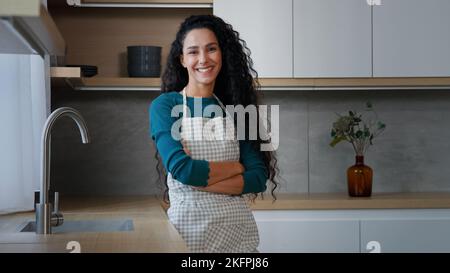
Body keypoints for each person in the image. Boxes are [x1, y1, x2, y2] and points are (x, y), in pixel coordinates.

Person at [149, 14, 279, 253]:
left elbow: (258, 178)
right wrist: (237, 167)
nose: (203, 59)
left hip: (238, 240)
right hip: (189, 239)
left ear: (222, 54)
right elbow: (183, 170)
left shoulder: (238, 109)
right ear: (182, 59)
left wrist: (197, 181)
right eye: (193, 51)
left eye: (211, 49)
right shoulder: (165, 106)